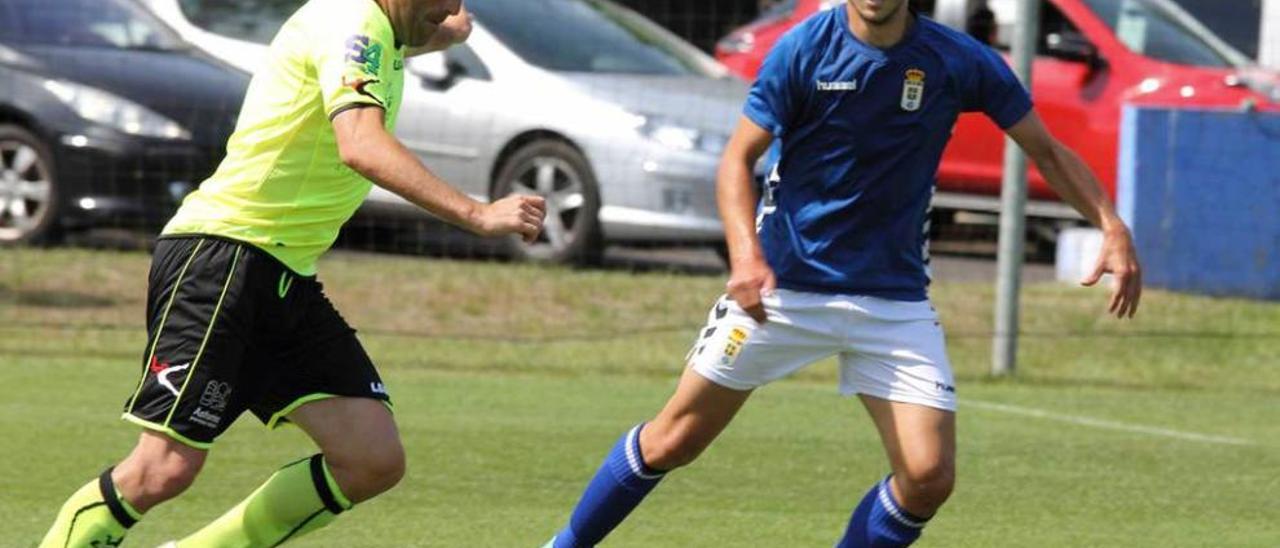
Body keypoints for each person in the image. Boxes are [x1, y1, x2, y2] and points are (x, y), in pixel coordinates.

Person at [543, 0, 1141, 546]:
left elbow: (1046, 150)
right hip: (782, 291)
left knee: (928, 477)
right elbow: (736, 160)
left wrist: (1110, 224)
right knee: (674, 439)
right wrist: (746, 257)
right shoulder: (804, 49)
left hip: (893, 300)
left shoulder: (957, 60)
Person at [38, 1, 545, 546]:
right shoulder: (352, 25)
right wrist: (477, 212)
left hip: (282, 275)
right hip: (224, 258)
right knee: (161, 469)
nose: (450, 7)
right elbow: (361, 145)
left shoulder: (382, 26)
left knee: (370, 458)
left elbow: (430, 31)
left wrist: (450, 27)